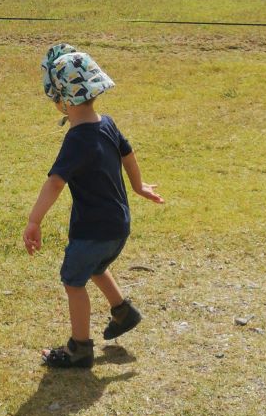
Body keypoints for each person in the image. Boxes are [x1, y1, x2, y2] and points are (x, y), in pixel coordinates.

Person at [22, 45, 163, 367]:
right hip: (118, 225)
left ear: (61, 99)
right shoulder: (107, 124)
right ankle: (123, 312)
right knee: (96, 266)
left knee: (74, 282)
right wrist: (138, 185)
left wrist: (34, 221)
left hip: (92, 230)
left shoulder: (77, 139)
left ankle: (80, 349)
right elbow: (128, 153)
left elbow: (55, 182)